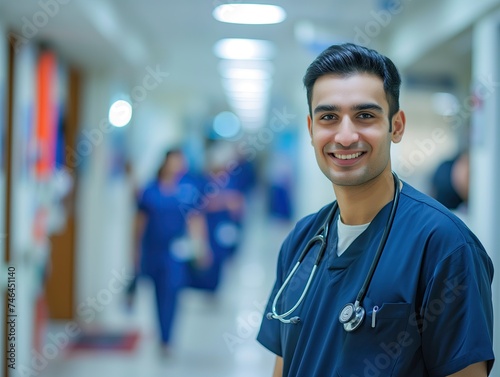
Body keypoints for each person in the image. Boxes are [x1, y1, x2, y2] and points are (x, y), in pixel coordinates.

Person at [257, 43, 494, 377]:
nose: (345, 135)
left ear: (396, 127)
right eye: (329, 117)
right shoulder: (301, 241)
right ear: (311, 129)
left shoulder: (443, 245)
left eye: (365, 116)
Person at [134, 148, 210, 353]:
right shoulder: (150, 190)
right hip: (153, 250)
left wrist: (202, 247)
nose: (178, 165)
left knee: (173, 291)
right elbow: (140, 223)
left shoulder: (188, 190)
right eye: (175, 161)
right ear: (165, 162)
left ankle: (167, 338)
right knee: (158, 293)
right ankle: (162, 333)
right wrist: (135, 252)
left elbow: (195, 219)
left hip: (175, 253)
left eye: (181, 161)